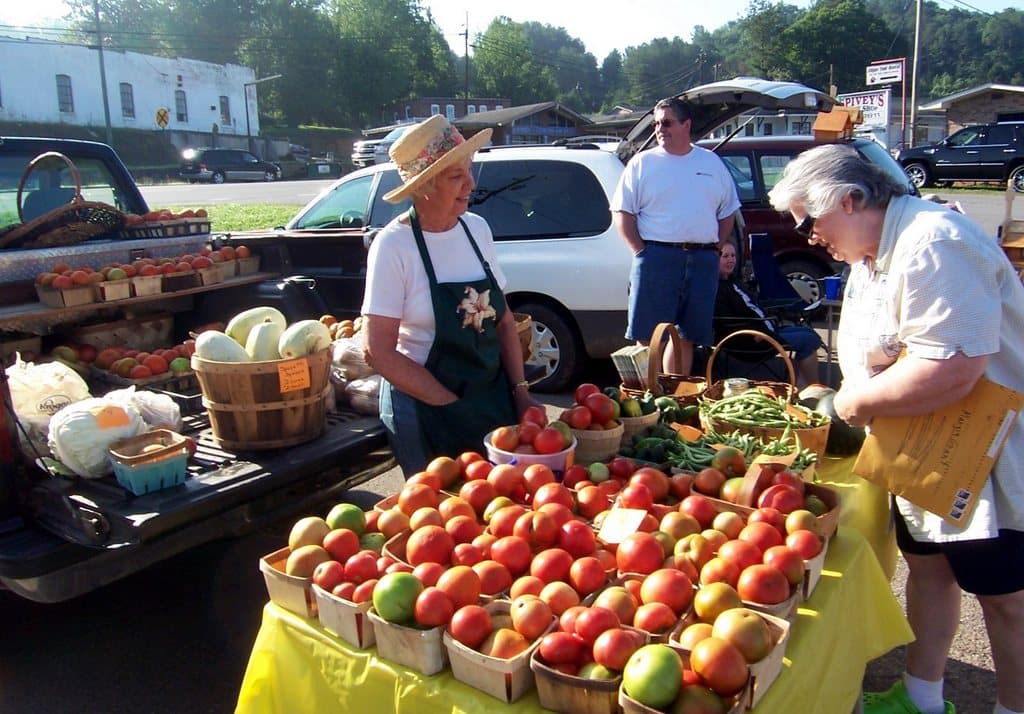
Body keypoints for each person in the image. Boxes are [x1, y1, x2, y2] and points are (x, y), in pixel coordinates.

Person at [768, 143, 1024, 714]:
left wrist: (854, 401)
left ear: (852, 199)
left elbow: (953, 368)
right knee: (931, 572)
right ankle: (922, 699)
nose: (810, 237)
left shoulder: (933, 243)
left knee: (1005, 600)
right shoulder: (874, 252)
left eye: (811, 222)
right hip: (924, 446)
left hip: (981, 453)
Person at [361, 115, 540, 475]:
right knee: (441, 513)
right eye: (456, 176)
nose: (471, 184)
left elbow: (504, 322)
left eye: (469, 170)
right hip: (427, 408)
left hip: (490, 399)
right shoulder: (394, 245)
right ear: (424, 185)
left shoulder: (476, 230)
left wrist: (520, 392)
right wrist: (449, 403)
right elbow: (377, 351)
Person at [610, 97, 741, 376]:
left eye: (667, 123)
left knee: (687, 336)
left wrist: (715, 247)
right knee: (646, 338)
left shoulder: (711, 163)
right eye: (657, 124)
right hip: (656, 258)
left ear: (686, 124)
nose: (660, 129)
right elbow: (622, 213)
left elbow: (728, 211)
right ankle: (646, 404)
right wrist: (641, 252)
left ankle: (675, 398)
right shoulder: (642, 163)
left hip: (703, 259)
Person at [714, 242, 823, 388]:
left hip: (767, 330)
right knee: (808, 339)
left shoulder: (734, 282)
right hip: (753, 341)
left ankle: (802, 387)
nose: (731, 260)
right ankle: (812, 387)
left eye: (733, 255)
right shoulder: (717, 289)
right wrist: (757, 332)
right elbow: (727, 322)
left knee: (808, 333)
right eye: (725, 256)